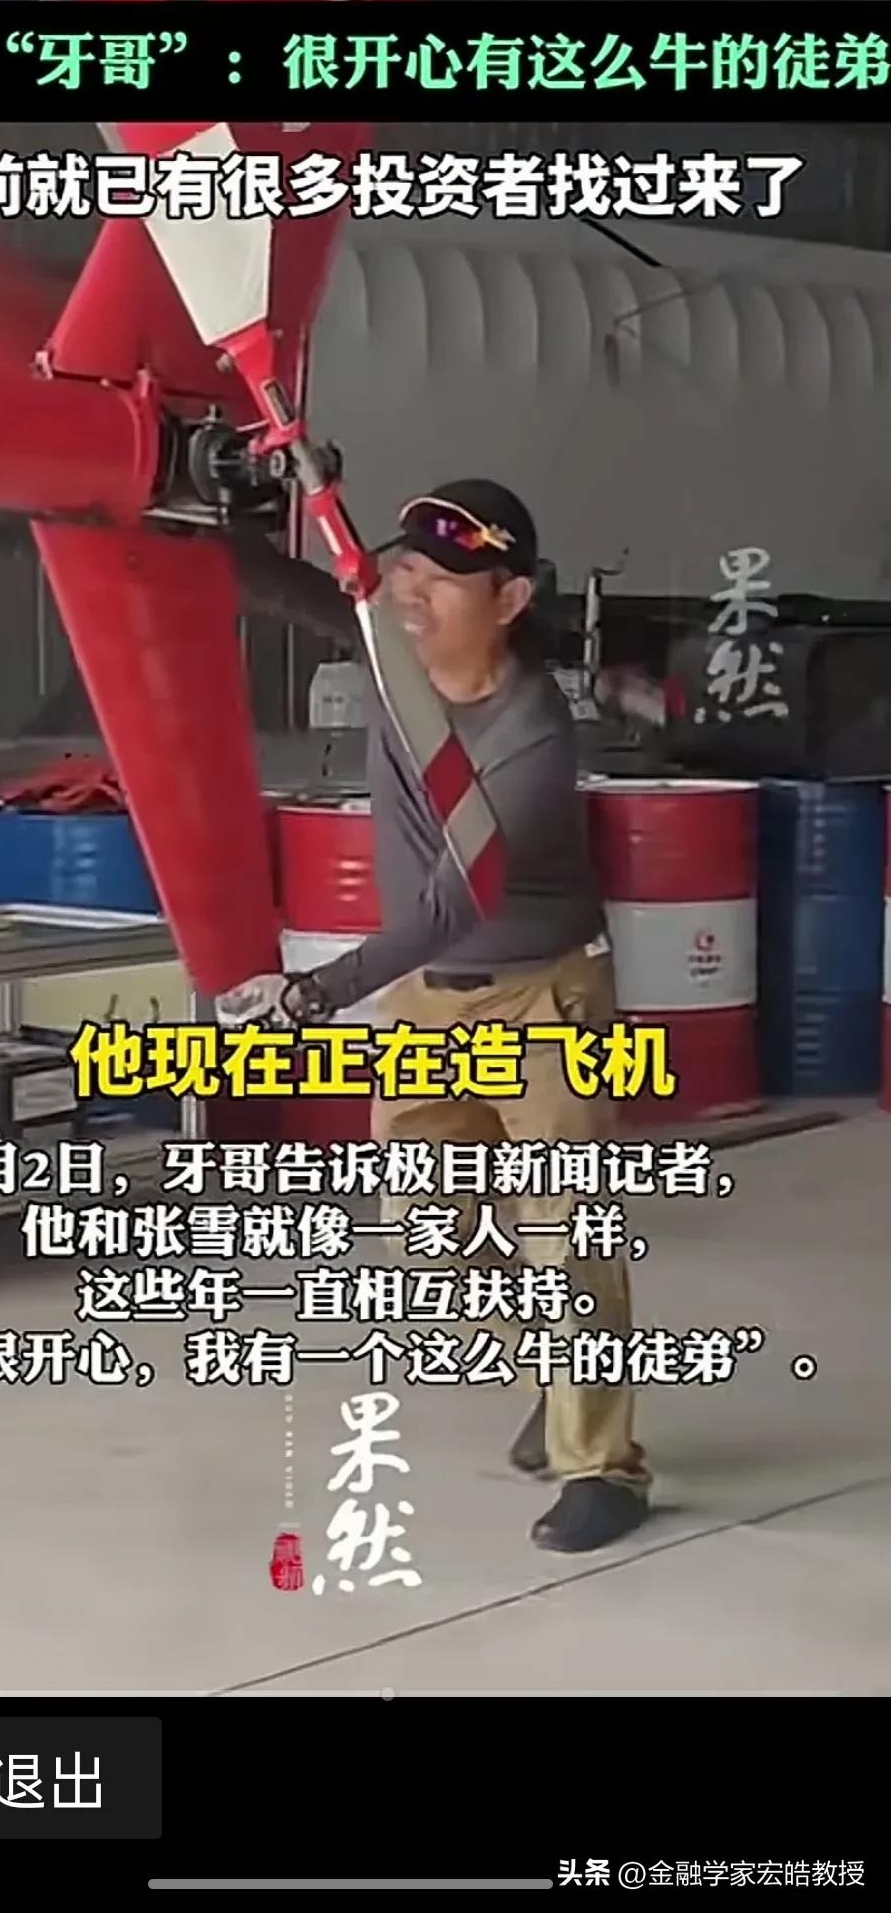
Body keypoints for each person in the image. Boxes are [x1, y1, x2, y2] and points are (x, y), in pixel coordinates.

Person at [221, 481, 652, 1555]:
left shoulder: (533, 737)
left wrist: (314, 992)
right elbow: (280, 586)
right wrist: (194, 511)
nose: (407, 592)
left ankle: (603, 1467)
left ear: (508, 599)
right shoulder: (390, 654)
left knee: (564, 1238)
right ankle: (555, 1377)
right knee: (431, 1229)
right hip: (427, 998)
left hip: (541, 997)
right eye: (402, 569)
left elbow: (456, 900)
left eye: (439, 579)